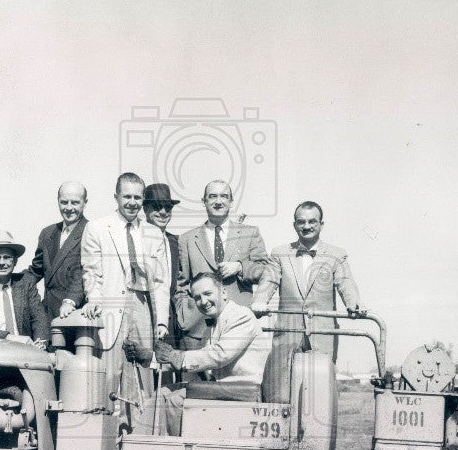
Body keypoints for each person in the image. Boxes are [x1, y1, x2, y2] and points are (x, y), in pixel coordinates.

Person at [125, 272, 270, 435]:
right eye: (197, 297)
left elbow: (220, 355)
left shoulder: (241, 316)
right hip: (223, 389)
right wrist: (150, 357)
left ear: (223, 292)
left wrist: (175, 356)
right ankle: (141, 445)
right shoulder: (212, 327)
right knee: (164, 392)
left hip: (242, 389)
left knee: (175, 400)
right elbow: (197, 360)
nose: (203, 302)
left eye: (207, 294)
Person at [81, 173, 169, 410]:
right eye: (127, 196)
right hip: (111, 308)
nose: (132, 202)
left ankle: (139, 432)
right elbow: (92, 272)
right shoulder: (97, 228)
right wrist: (94, 299)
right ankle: (105, 433)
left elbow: (161, 282)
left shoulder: (153, 233)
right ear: (116, 197)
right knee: (109, 374)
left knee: (143, 375)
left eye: (137, 197)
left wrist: (161, 321)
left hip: (142, 306)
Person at [253, 201, 361, 361]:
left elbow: (345, 282)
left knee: (322, 381)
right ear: (294, 225)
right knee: (283, 381)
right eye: (301, 221)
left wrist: (354, 305)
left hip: (323, 335)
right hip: (288, 333)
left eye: (312, 221)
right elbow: (269, 280)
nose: (306, 226)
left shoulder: (336, 254)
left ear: (321, 224)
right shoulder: (279, 253)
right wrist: (259, 302)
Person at [175, 180, 269, 338]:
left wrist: (240, 267)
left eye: (224, 196)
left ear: (231, 202)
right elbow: (181, 285)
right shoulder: (187, 239)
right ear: (204, 201)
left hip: (240, 324)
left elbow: (266, 270)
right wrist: (185, 317)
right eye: (212, 196)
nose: (218, 201)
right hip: (198, 328)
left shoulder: (250, 233)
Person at [142, 182, 205, 350]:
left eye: (167, 207)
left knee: (169, 371)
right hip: (143, 316)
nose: (163, 212)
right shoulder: (137, 239)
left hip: (172, 321)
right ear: (145, 209)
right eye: (156, 207)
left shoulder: (177, 242)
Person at [0, 231, 49, 346]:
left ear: (15, 261)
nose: (2, 263)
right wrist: (8, 337)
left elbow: (39, 317)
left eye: (7, 257)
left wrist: (40, 343)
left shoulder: (26, 282)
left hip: (26, 352)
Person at [26, 181, 88, 321]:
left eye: (75, 203)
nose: (69, 208)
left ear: (85, 203)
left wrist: (70, 300)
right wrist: (8, 280)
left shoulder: (91, 231)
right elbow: (36, 270)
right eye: (64, 202)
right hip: (47, 313)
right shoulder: (47, 233)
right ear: (58, 201)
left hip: (75, 313)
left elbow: (86, 272)